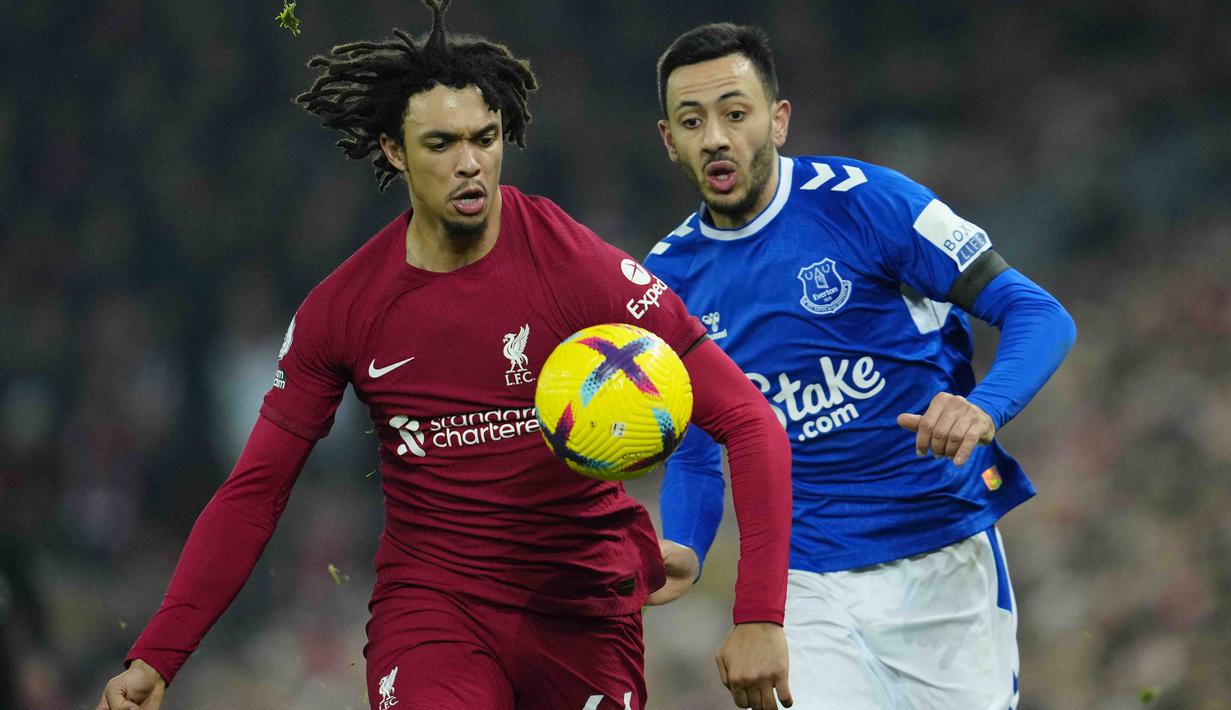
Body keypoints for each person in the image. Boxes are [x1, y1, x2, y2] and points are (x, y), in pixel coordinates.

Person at [95, 5, 795, 710]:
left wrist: (759, 614)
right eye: (440, 142)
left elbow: (746, 419)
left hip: (582, 607)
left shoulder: (575, 266)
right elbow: (255, 492)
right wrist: (158, 654)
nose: (469, 163)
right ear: (393, 150)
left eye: (485, 139)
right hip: (433, 611)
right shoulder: (346, 310)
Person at [642, 22, 1076, 709]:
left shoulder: (870, 202)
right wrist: (686, 547)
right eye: (691, 121)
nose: (715, 137)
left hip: (940, 548)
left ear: (777, 120)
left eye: (735, 113)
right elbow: (696, 450)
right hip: (806, 578)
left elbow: (1039, 313)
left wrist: (983, 406)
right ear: (669, 140)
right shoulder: (665, 281)